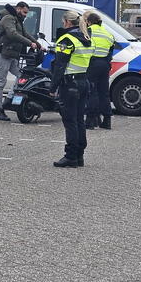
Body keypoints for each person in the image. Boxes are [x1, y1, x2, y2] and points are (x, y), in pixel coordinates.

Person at [49, 10, 93, 168]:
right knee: (79, 120)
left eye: (63, 22)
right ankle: (80, 155)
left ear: (67, 22)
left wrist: (53, 87)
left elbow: (60, 65)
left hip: (70, 84)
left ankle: (70, 156)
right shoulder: (87, 38)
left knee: (70, 121)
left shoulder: (66, 39)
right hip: (83, 82)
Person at [0, 1, 40, 121]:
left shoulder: (17, 20)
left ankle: (8, 99)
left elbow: (25, 34)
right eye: (24, 12)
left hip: (11, 54)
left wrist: (38, 44)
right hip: (2, 53)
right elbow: (12, 34)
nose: (25, 15)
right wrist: (30, 44)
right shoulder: (8, 18)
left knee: (21, 75)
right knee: (1, 82)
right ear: (18, 9)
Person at [84, 11, 115, 130]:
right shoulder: (108, 33)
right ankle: (107, 120)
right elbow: (111, 49)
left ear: (89, 22)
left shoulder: (89, 32)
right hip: (105, 64)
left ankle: (90, 121)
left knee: (92, 91)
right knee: (104, 93)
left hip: (92, 63)